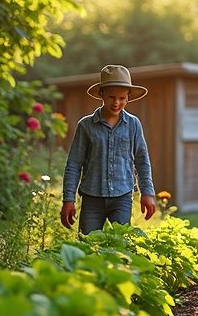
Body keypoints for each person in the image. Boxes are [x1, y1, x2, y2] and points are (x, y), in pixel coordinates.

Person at [60, 64, 156, 234]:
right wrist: (68, 199)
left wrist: (147, 193)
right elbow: (74, 164)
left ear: (128, 98)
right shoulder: (86, 126)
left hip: (122, 197)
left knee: (120, 247)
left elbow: (142, 161)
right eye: (111, 97)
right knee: (87, 246)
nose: (116, 103)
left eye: (122, 98)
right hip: (92, 198)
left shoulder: (133, 124)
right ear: (101, 94)